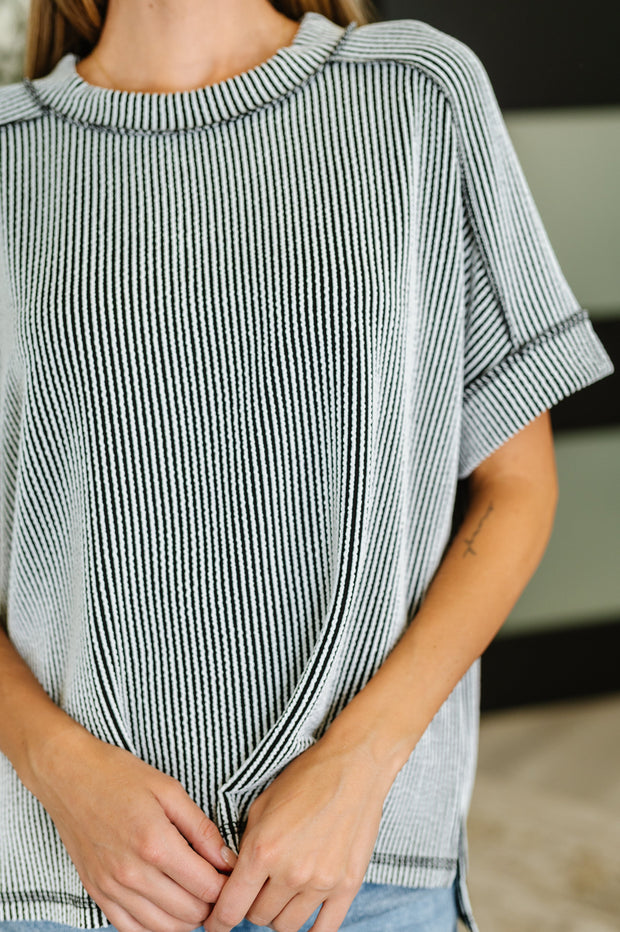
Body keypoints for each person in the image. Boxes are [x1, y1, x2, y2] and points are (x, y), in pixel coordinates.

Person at [0, 1, 615, 931]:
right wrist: (59, 770)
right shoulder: (12, 156)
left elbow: (515, 488)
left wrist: (361, 764)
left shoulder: (416, 94)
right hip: (73, 871)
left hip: (356, 867)